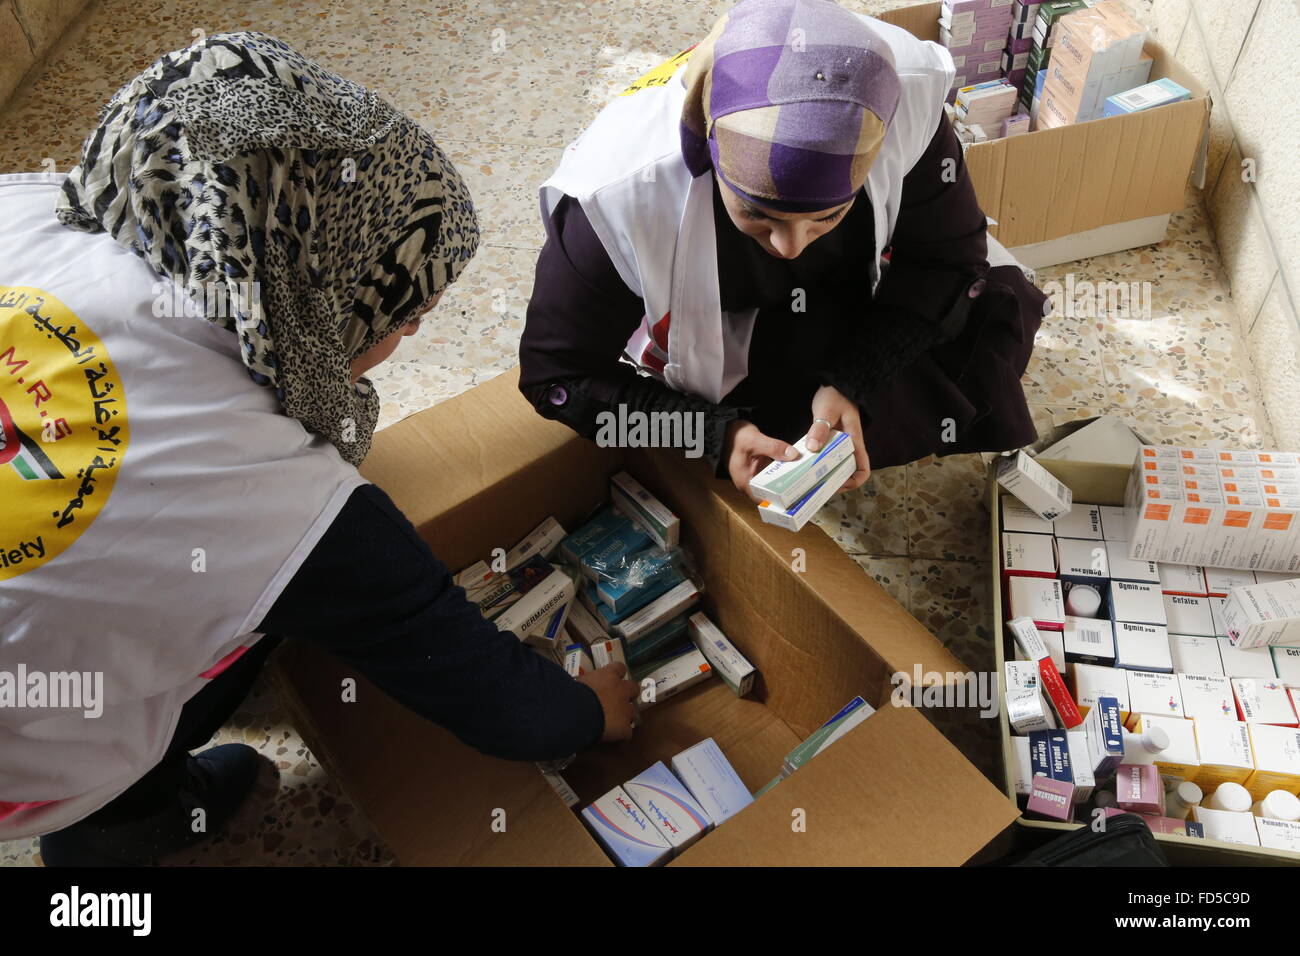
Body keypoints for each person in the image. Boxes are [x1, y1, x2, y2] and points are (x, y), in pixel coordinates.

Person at [0, 32, 636, 867]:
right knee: (248, 603)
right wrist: (594, 713)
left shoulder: (34, 205)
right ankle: (118, 827)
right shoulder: (274, 499)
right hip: (23, 753)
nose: (401, 337)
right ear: (317, 289)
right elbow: (510, 711)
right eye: (403, 314)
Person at [519, 0, 1048, 495]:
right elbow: (557, 377)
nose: (790, 247)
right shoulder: (615, 198)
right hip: (727, 326)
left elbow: (948, 261)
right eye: (757, 213)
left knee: (998, 306)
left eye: (827, 216)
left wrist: (852, 380)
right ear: (705, 150)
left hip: (845, 294)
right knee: (774, 433)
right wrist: (710, 434)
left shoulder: (902, 101)